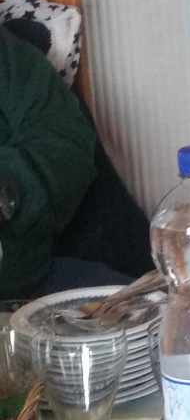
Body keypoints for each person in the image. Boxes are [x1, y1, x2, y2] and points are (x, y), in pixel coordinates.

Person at [0, 23, 132, 302]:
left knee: (174, 313)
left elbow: (66, 140)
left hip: (28, 285)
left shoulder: (7, 55)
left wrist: (9, 187)